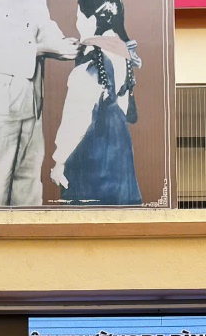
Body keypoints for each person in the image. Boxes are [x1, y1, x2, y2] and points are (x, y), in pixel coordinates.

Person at [0, 0, 78, 207]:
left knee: (28, 194)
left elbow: (43, 24)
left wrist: (63, 44)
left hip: (30, 104)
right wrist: (45, 49)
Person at [49, 0, 141, 205]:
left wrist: (59, 162)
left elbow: (77, 120)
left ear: (91, 19)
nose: (78, 22)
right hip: (121, 163)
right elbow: (125, 110)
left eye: (79, 16)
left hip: (91, 164)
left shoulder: (90, 63)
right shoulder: (123, 56)